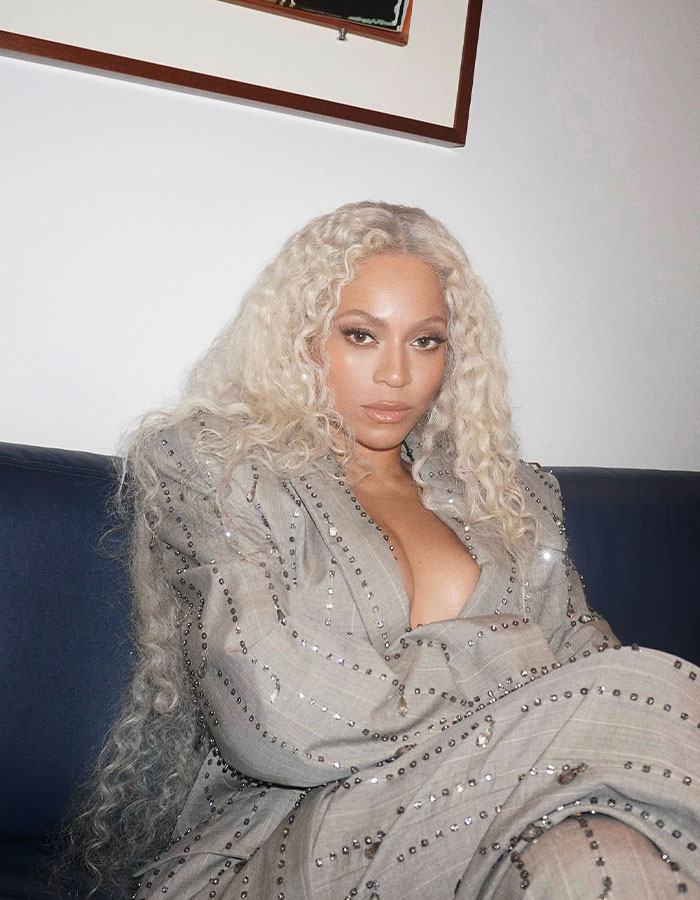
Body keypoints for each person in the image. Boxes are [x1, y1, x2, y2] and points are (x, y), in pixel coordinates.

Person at [67, 202, 700, 899]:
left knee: (602, 854)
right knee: (654, 693)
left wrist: (507, 700)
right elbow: (276, 715)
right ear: (303, 338)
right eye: (362, 335)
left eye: (426, 341)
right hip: (284, 842)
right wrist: (510, 657)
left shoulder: (510, 499)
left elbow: (586, 677)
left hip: (493, 820)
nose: (396, 375)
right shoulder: (218, 469)